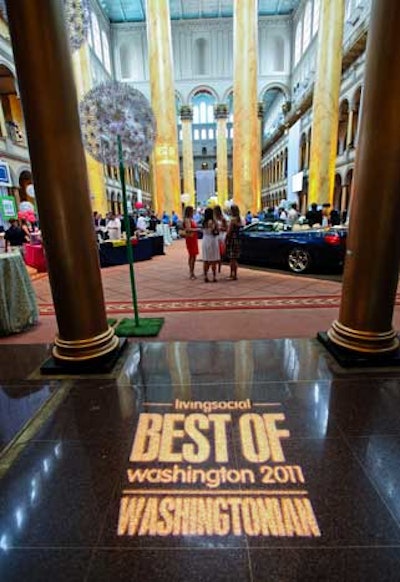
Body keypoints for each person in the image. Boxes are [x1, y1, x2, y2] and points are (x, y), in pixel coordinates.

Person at [201, 207, 220, 282]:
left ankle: (205, 276)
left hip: (205, 239)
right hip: (212, 240)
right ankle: (214, 276)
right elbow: (214, 231)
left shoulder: (203, 222)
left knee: (206, 259)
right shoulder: (213, 222)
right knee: (213, 259)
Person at [225, 204, 242, 280]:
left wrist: (226, 238)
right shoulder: (239, 219)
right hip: (237, 239)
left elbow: (229, 232)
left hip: (232, 239)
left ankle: (232, 275)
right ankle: (235, 274)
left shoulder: (232, 220)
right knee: (235, 258)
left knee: (232, 259)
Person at [183, 205, 199, 280]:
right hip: (190, 238)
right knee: (192, 255)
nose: (193, 212)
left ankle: (192, 272)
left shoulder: (191, 219)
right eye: (192, 210)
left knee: (193, 255)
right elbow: (188, 229)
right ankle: (191, 272)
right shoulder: (187, 219)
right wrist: (197, 229)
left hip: (193, 238)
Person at [213, 205, 227, 274]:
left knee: (220, 253)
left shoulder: (223, 219)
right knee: (215, 252)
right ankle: (215, 267)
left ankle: (219, 267)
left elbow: (226, 228)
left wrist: (220, 228)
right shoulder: (214, 219)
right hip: (216, 235)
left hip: (221, 236)